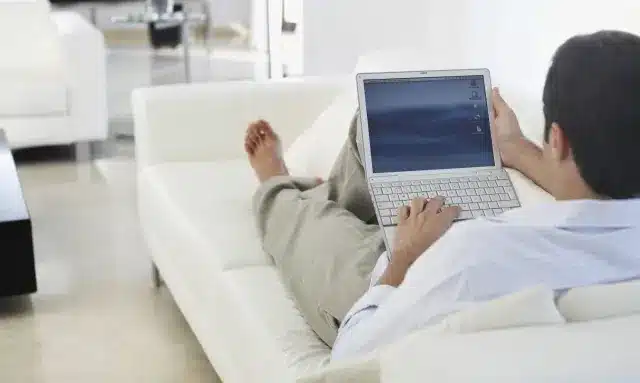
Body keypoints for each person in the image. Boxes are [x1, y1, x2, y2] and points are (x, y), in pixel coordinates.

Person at [244, 30, 640, 361]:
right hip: (437, 254)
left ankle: (278, 184)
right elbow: (593, 185)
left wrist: (405, 255)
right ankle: (343, 195)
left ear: (557, 140)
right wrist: (516, 148)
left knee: (310, 227)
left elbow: (353, 354)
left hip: (389, 284)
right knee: (367, 130)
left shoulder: (471, 257)